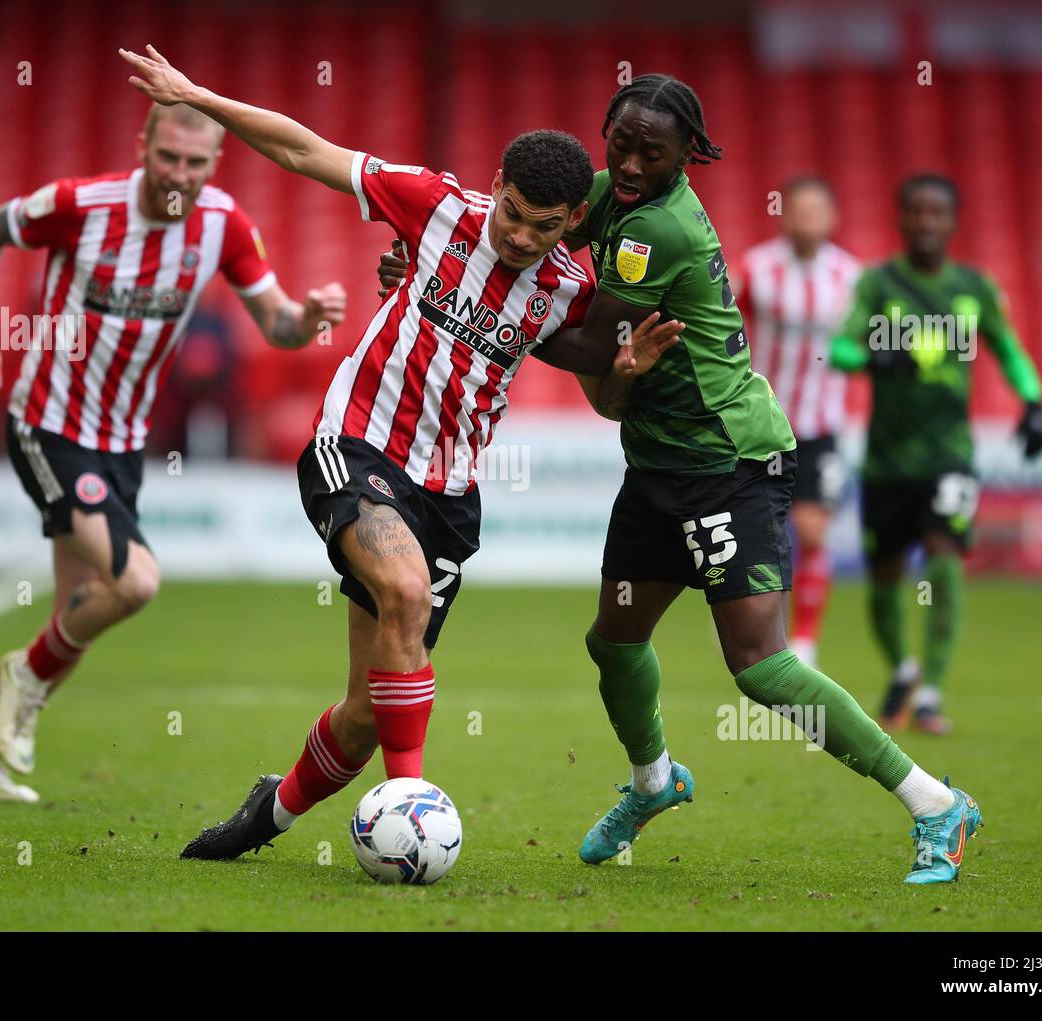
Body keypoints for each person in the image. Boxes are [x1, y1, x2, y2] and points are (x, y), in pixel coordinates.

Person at [379, 75, 985, 885]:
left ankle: (934, 802)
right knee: (614, 639)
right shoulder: (604, 194)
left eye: (651, 152)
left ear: (687, 156)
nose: (629, 163)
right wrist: (427, 259)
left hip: (728, 463)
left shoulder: (658, 228)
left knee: (761, 666)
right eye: (620, 143)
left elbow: (589, 345)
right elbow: (507, 245)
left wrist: (444, 292)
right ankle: (654, 781)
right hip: (660, 463)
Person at [114, 44, 683, 861]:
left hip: (449, 494)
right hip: (358, 442)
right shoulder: (435, 207)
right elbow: (305, 148)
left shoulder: (569, 291)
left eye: (543, 227)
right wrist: (198, 95)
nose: (520, 235)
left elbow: (603, 393)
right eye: (511, 211)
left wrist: (623, 375)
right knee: (405, 595)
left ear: (571, 228)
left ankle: (261, 818)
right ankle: (414, 798)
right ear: (494, 186)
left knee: (366, 712)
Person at [0, 97, 348, 803]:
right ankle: (23, 679)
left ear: (215, 164)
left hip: (123, 442)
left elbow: (278, 323)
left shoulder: (223, 224)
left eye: (196, 162)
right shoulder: (83, 205)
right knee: (135, 581)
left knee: (84, 599)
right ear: (143, 145)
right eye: (168, 156)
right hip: (47, 422)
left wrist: (308, 318)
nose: (180, 173)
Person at [830, 174, 1042, 735]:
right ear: (901, 219)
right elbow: (840, 346)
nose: (926, 222)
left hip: (949, 456)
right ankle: (902, 667)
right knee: (884, 578)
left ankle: (930, 692)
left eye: (937, 213)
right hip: (886, 462)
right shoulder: (878, 285)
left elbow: (1009, 349)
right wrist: (875, 359)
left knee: (945, 558)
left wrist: (1033, 401)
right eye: (916, 212)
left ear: (952, 222)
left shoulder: (974, 289)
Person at [737, 177, 861, 666]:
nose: (807, 219)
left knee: (811, 531)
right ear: (783, 215)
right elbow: (721, 326)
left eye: (817, 211)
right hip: (762, 422)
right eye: (799, 210)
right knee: (761, 532)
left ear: (832, 218)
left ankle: (804, 641)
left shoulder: (852, 278)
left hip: (820, 426)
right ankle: (752, 622)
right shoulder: (756, 270)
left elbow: (863, 344)